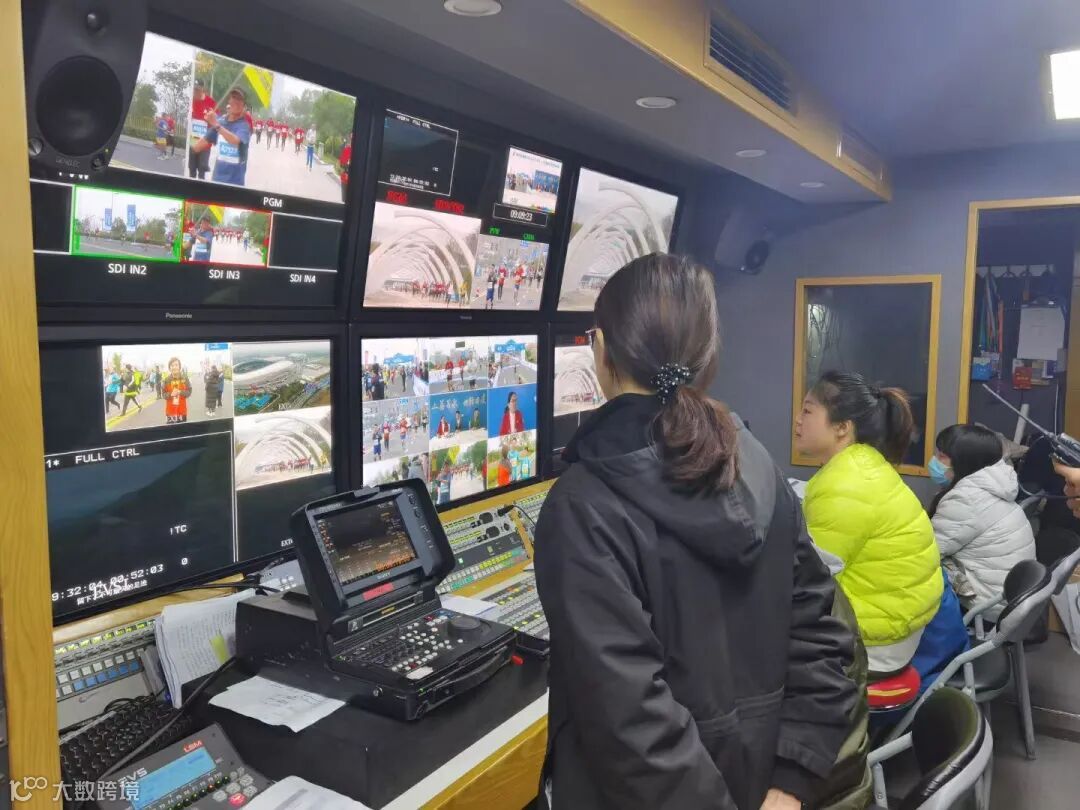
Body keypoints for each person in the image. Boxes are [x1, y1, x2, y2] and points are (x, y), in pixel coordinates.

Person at [534, 253, 856, 810]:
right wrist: (792, 779)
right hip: (761, 784)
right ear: (707, 356)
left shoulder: (582, 504)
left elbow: (628, 722)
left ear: (601, 350)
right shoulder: (756, 463)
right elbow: (822, 633)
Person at [796, 370, 943, 676]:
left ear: (842, 427)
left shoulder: (846, 483)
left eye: (807, 411)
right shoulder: (862, 464)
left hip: (875, 644)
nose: (798, 420)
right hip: (896, 624)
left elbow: (808, 576)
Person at [929, 424, 1036, 612]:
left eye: (942, 456)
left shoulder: (966, 499)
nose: (935, 461)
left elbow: (927, 551)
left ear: (964, 461)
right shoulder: (995, 484)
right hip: (1012, 599)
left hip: (985, 605)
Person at [191, 88, 252, 187]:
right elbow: (198, 147)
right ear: (229, 101)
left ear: (244, 106)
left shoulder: (244, 126)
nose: (235, 101)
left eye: (239, 99)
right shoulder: (221, 122)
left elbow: (235, 140)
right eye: (233, 97)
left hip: (235, 184)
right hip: (217, 180)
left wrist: (216, 124)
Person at [188, 79, 216, 179]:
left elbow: (216, 123)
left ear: (202, 89)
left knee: (202, 170)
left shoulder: (211, 102)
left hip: (205, 142)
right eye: (194, 89)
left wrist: (211, 119)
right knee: (192, 169)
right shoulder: (191, 101)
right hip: (193, 140)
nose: (195, 92)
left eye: (197, 89)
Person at [162, 358, 191, 424]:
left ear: (179, 367)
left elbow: (189, 392)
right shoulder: (166, 380)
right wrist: (170, 394)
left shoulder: (185, 378)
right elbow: (163, 395)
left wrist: (180, 392)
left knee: (182, 429)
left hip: (182, 411)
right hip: (170, 412)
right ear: (169, 368)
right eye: (172, 365)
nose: (174, 367)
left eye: (176, 365)